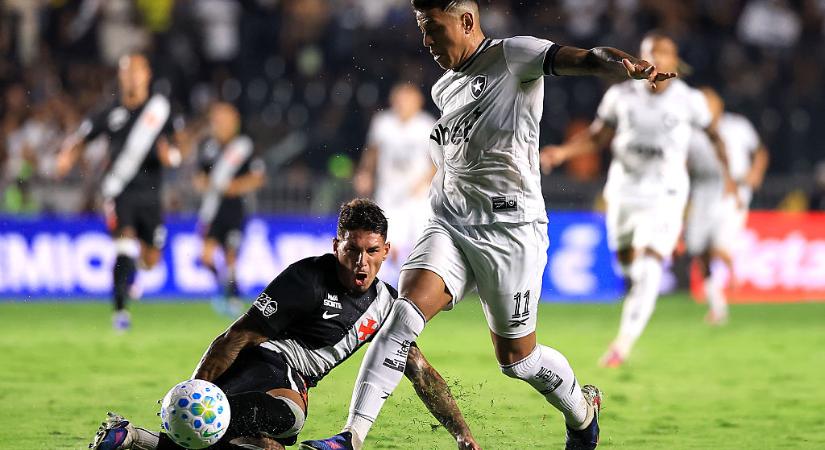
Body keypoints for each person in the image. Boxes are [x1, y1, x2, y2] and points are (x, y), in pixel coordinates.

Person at [301, 2, 678, 449]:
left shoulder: (514, 55)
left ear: (465, 22)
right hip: (449, 221)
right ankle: (352, 437)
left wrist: (625, 64)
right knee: (399, 318)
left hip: (510, 230)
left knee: (518, 359)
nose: (426, 41)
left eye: (433, 29)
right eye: (422, 31)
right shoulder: (444, 89)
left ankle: (582, 411)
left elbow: (586, 57)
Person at [89, 199, 480, 450]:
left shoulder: (386, 305)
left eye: (371, 252)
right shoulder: (305, 279)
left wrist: (463, 436)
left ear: (386, 251)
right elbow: (237, 336)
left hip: (288, 382)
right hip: (264, 365)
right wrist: (198, 392)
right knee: (287, 417)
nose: (362, 261)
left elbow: (420, 372)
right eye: (352, 250)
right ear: (336, 246)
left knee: (263, 445)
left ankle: (132, 440)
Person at [541, 32, 736, 367]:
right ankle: (650, 254)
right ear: (640, 58)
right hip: (624, 190)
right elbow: (598, 136)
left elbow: (715, 136)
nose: (658, 57)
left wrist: (728, 177)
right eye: (651, 52)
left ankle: (622, 343)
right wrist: (563, 152)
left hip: (667, 193)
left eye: (665, 52)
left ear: (676, 61)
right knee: (628, 262)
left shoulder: (689, 100)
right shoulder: (621, 96)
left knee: (647, 269)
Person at [56, 53, 181, 331]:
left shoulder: (160, 110)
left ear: (147, 75)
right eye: (127, 71)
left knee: (151, 260)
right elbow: (81, 137)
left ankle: (135, 271)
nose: (132, 76)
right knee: (123, 243)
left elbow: (176, 147)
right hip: (119, 189)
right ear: (121, 76)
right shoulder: (109, 110)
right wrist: (67, 155)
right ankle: (120, 310)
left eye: (137, 71)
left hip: (151, 193)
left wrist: (171, 155)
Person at [685, 87, 769, 325]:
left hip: (734, 190)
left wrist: (755, 173)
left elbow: (760, 151)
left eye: (708, 103)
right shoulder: (692, 133)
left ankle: (731, 267)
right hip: (702, 190)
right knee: (698, 249)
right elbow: (682, 162)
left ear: (719, 105)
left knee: (718, 244)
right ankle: (717, 306)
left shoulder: (738, 125)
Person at [193, 102, 266, 316]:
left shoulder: (245, 146)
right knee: (206, 257)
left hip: (235, 209)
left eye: (222, 120)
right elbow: (200, 175)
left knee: (230, 256)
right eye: (216, 121)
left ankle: (233, 297)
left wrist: (236, 187)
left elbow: (258, 177)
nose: (218, 125)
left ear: (234, 123)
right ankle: (223, 288)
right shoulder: (209, 146)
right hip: (212, 209)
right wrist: (202, 183)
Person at [354, 82, 436, 268]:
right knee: (388, 241)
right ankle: (394, 281)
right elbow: (372, 151)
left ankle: (421, 282)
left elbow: (438, 161)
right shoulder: (383, 122)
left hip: (419, 195)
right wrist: (365, 172)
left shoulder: (426, 124)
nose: (402, 104)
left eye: (407, 99)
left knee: (422, 241)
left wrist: (424, 181)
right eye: (399, 99)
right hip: (389, 193)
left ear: (418, 101)